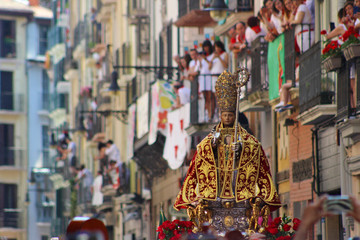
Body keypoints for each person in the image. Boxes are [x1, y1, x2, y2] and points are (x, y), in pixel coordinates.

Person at [173, 70, 281, 228]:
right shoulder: (211, 138)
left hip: (237, 181)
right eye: (225, 115)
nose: (228, 118)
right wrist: (213, 147)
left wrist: (242, 149)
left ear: (234, 116)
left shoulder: (245, 138)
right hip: (219, 179)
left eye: (230, 115)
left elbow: (254, 149)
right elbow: (202, 153)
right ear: (221, 116)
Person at [196, 40, 215, 122]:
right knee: (205, 97)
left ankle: (211, 114)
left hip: (209, 77)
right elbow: (199, 68)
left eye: (207, 47)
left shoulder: (212, 56)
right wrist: (200, 61)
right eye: (204, 47)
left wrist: (205, 59)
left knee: (210, 97)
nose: (206, 49)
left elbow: (211, 65)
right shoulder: (202, 57)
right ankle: (208, 114)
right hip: (203, 78)